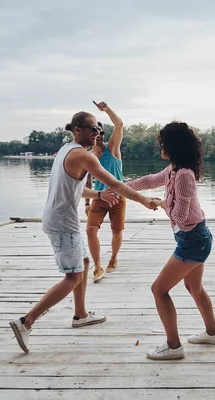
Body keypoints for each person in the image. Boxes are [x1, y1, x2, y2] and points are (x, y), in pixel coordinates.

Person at [9, 111, 157, 353]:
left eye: (99, 129)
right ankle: (26, 322)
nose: (97, 133)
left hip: (60, 219)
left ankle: (80, 315)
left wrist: (97, 195)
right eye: (92, 129)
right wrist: (143, 199)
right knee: (73, 276)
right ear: (77, 130)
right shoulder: (82, 155)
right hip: (62, 223)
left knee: (85, 263)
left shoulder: (67, 151)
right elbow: (116, 184)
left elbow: (74, 189)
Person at [127, 121, 215, 360]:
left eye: (162, 143)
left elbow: (180, 215)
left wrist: (159, 203)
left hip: (193, 239)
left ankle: (174, 346)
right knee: (194, 288)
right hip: (194, 237)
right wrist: (120, 188)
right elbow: (149, 180)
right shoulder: (172, 170)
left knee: (159, 290)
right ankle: (212, 334)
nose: (160, 146)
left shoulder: (184, 176)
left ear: (172, 146)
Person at [85, 101, 126, 282]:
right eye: (95, 132)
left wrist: (107, 109)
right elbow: (85, 178)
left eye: (101, 132)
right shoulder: (88, 155)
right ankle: (97, 266)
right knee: (90, 230)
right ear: (91, 135)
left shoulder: (113, 148)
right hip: (99, 197)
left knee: (116, 231)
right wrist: (86, 202)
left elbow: (119, 125)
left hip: (117, 197)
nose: (98, 135)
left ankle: (113, 258)